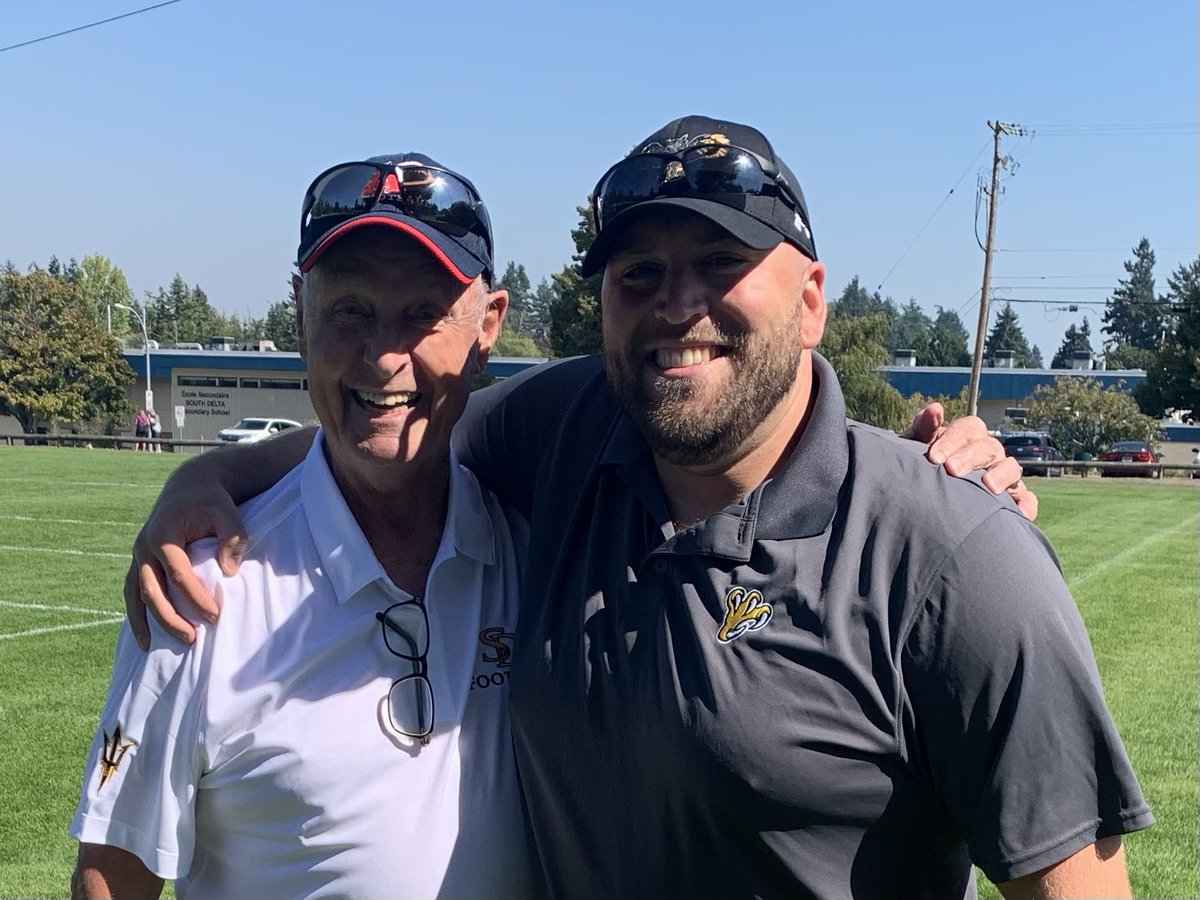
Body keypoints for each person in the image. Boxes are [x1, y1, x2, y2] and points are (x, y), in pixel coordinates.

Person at [118, 118, 1099, 899]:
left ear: (810, 300)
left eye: (722, 263)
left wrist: (963, 489)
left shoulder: (961, 556)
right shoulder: (568, 429)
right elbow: (397, 421)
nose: (678, 304)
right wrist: (203, 480)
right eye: (639, 275)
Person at [71, 153, 532, 898]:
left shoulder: (531, 538)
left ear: (488, 327)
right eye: (349, 309)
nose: (385, 359)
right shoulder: (200, 591)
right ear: (299, 317)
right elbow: (110, 879)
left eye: (423, 312)